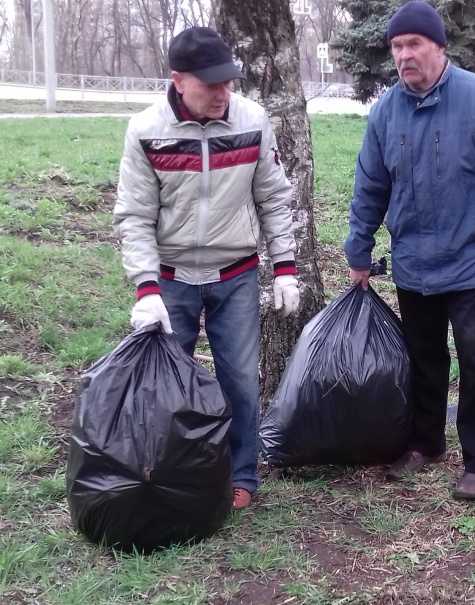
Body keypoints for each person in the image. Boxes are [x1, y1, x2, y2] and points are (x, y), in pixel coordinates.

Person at [343, 0, 475, 500]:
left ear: (439, 47)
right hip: (413, 262)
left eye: (414, 45)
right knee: (423, 356)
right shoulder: (386, 110)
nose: (405, 56)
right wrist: (358, 248)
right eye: (397, 47)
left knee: (474, 356)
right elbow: (370, 186)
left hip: (471, 258)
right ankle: (426, 442)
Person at [113, 26, 301, 511]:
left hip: (235, 273)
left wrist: (285, 267)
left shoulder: (251, 122)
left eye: (229, 83)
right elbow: (134, 215)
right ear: (178, 80)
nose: (223, 93)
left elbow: (274, 200)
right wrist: (146, 288)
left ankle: (241, 475)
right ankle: (165, 472)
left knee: (239, 379)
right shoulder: (146, 131)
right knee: (162, 383)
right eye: (210, 84)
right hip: (171, 279)